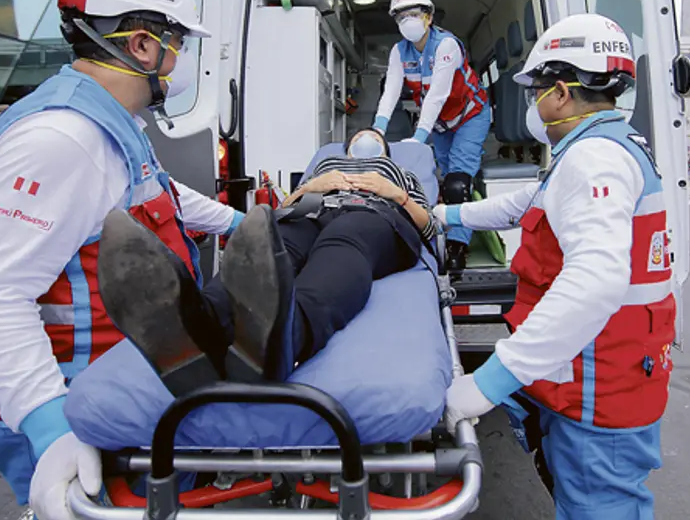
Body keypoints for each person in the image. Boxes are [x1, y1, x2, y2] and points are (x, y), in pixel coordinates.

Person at [0, 0, 241, 520]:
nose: (180, 62)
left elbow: (160, 194)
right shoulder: (62, 139)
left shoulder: (110, 122)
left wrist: (239, 223)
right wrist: (49, 423)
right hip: (83, 409)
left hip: (130, 389)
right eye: (177, 44)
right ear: (142, 45)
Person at [437, 13, 676, 519]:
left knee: (599, 507)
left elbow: (593, 283)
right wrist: (440, 215)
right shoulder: (602, 148)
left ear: (562, 93)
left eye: (537, 90)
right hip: (594, 371)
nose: (534, 103)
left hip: (599, 386)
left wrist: (487, 384)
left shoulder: (594, 161)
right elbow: (524, 202)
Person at [97, 128, 438, 386]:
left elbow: (430, 228)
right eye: (359, 138)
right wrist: (310, 188)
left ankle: (289, 336)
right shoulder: (326, 166)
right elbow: (286, 208)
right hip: (311, 210)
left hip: (372, 214)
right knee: (279, 241)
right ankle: (199, 325)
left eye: (373, 138)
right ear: (346, 149)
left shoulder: (399, 175)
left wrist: (395, 194)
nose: (365, 141)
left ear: (386, 152)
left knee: (342, 244)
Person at [371, 0, 491, 271]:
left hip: (469, 116)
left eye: (414, 13)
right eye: (401, 16)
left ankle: (458, 246)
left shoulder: (446, 46)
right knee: (443, 178)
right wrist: (377, 131)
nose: (408, 21)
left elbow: (437, 93)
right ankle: (441, 233)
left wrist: (419, 136)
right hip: (440, 125)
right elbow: (391, 92)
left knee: (458, 182)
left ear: (429, 16)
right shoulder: (400, 52)